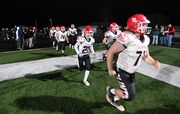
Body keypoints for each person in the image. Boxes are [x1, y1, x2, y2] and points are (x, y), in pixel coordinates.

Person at [106, 14, 160, 111]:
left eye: (145, 25)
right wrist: (110, 68)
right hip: (122, 70)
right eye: (142, 24)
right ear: (134, 25)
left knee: (127, 89)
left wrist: (153, 63)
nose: (145, 27)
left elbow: (146, 56)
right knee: (129, 96)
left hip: (131, 71)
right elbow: (110, 52)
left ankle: (114, 99)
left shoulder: (145, 39)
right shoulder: (127, 37)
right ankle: (111, 91)